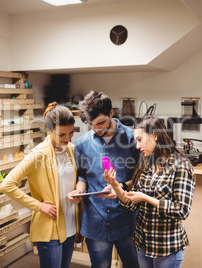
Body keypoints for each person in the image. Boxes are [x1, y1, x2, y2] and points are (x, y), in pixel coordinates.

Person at [104, 116, 196, 268]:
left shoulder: (181, 166)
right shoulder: (147, 164)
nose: (137, 146)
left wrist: (146, 198)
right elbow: (131, 204)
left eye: (140, 139)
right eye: (136, 141)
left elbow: (181, 210)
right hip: (143, 243)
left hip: (166, 246)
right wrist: (114, 184)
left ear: (155, 135)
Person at [0, 102, 82, 268]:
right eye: (62, 135)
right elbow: (6, 185)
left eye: (71, 132)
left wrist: (80, 190)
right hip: (49, 229)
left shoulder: (72, 150)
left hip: (71, 224)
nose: (68, 138)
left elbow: (80, 177)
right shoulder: (38, 154)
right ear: (48, 130)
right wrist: (38, 206)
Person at [73, 91, 140, 268]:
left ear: (111, 113)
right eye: (91, 125)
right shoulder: (81, 144)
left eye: (101, 123)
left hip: (128, 221)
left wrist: (119, 187)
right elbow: (82, 175)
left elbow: (140, 177)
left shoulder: (133, 139)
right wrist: (80, 190)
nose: (97, 129)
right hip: (96, 222)